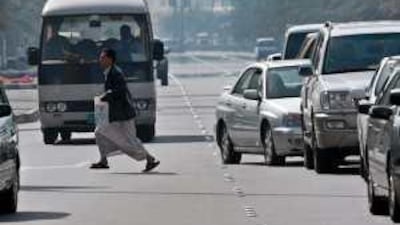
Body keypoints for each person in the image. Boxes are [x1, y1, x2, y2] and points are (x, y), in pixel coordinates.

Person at [90, 48, 160, 172]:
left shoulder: (115, 73)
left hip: (123, 114)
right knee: (99, 132)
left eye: (102, 58)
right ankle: (103, 160)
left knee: (130, 139)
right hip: (116, 113)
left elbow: (120, 91)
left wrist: (104, 96)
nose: (100, 60)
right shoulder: (109, 72)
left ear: (110, 59)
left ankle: (149, 159)